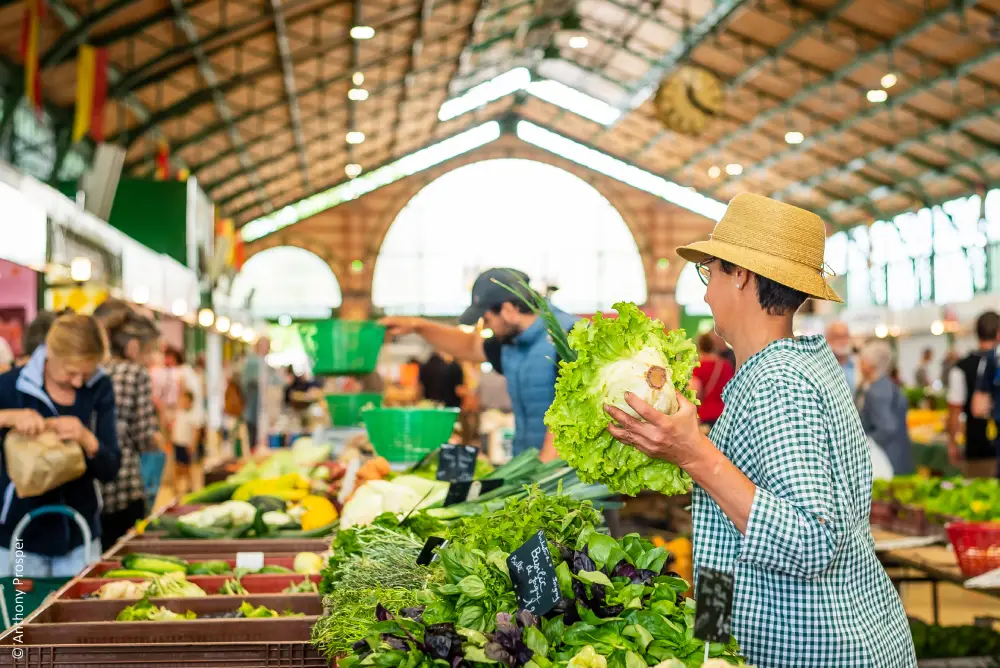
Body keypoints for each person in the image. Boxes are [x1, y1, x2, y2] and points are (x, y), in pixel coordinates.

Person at [606, 193, 915, 667]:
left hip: (819, 649)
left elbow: (813, 540)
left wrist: (694, 455)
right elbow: (724, 526)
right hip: (815, 636)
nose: (707, 293)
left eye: (710, 272)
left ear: (742, 275)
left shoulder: (779, 383)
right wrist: (708, 642)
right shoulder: (798, 366)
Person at [381, 268, 577, 459]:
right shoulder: (513, 342)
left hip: (565, 476)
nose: (485, 326)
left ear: (508, 310)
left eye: (486, 318)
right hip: (533, 468)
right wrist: (418, 326)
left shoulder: (570, 337)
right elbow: (470, 346)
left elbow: (573, 411)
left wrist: (543, 472)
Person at [0, 313, 121, 576]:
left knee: (78, 610)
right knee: (20, 609)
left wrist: (86, 438)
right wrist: (8, 417)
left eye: (85, 374)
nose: (78, 382)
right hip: (19, 536)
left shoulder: (99, 387)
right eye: (71, 372)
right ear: (50, 353)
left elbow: (111, 467)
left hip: (79, 535)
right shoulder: (12, 387)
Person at [94, 301, 162, 547]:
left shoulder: (97, 370)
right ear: (133, 348)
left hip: (96, 486)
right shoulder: (136, 373)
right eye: (150, 350)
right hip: (125, 484)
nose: (153, 358)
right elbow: (143, 435)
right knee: (125, 555)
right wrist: (158, 442)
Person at [947, 311, 999, 478]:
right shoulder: (990, 362)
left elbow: (955, 410)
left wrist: (952, 443)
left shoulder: (961, 367)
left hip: (976, 443)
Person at [857, 340, 915, 475]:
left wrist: (863, 442)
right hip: (900, 455)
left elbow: (887, 427)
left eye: (862, 360)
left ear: (870, 364)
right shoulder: (889, 385)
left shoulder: (877, 390)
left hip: (886, 460)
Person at [691, 332, 733, 428]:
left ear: (700, 347)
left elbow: (696, 392)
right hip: (724, 413)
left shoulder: (698, 367)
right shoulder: (725, 365)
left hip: (705, 414)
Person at [172, 388, 204, 494]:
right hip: (177, 443)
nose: (183, 403)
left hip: (186, 444)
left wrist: (193, 445)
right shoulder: (179, 413)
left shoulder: (193, 415)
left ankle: (190, 486)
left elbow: (196, 432)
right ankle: (176, 487)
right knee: (177, 466)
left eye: (185, 401)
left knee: (187, 468)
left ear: (191, 402)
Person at [824, 320, 856, 394]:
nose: (842, 341)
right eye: (837, 336)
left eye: (845, 336)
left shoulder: (858, 365)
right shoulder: (820, 367)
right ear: (827, 339)